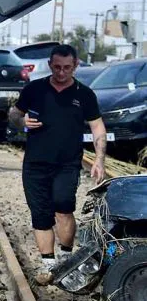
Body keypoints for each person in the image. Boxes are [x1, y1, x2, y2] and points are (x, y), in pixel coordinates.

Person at [9, 44, 106, 285]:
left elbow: (97, 127)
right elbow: (13, 113)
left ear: (75, 66)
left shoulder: (84, 94)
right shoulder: (35, 89)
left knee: (63, 207)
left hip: (67, 163)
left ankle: (65, 256)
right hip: (35, 163)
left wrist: (99, 160)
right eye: (57, 67)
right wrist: (22, 121)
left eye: (67, 68)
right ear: (50, 65)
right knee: (40, 214)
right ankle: (49, 265)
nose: (61, 72)